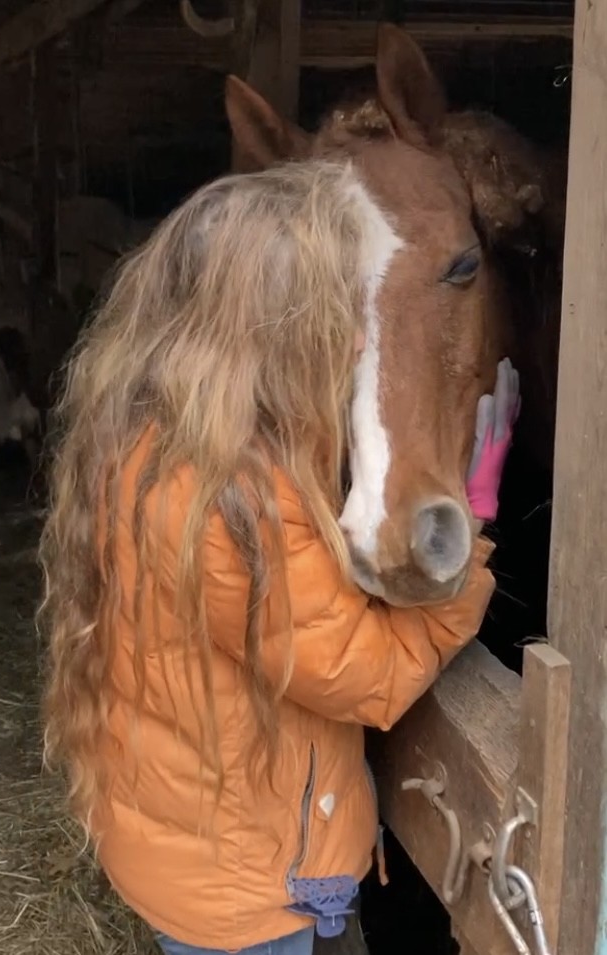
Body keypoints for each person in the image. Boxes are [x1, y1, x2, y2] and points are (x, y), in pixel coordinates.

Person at [39, 160, 518, 955]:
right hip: (247, 889)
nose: (358, 337)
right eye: (329, 313)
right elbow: (368, 674)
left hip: (189, 841)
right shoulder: (234, 504)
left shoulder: (143, 437)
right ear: (261, 332)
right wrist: (474, 529)